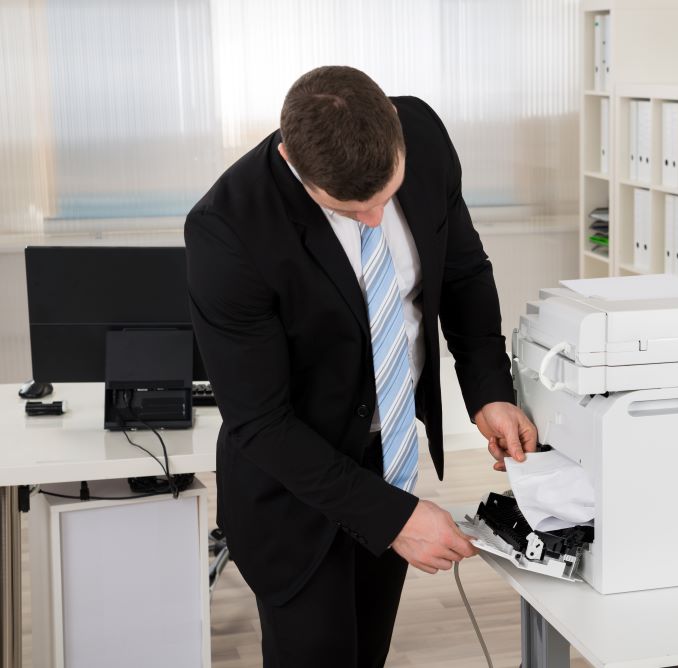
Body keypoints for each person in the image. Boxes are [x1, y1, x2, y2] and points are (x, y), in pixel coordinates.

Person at [185, 66, 537, 667]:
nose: (375, 220)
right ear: (293, 160)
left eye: (386, 196)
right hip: (294, 487)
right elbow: (261, 422)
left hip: (390, 456)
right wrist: (395, 518)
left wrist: (488, 390)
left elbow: (463, 273)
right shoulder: (229, 229)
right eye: (353, 210)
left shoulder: (422, 132)